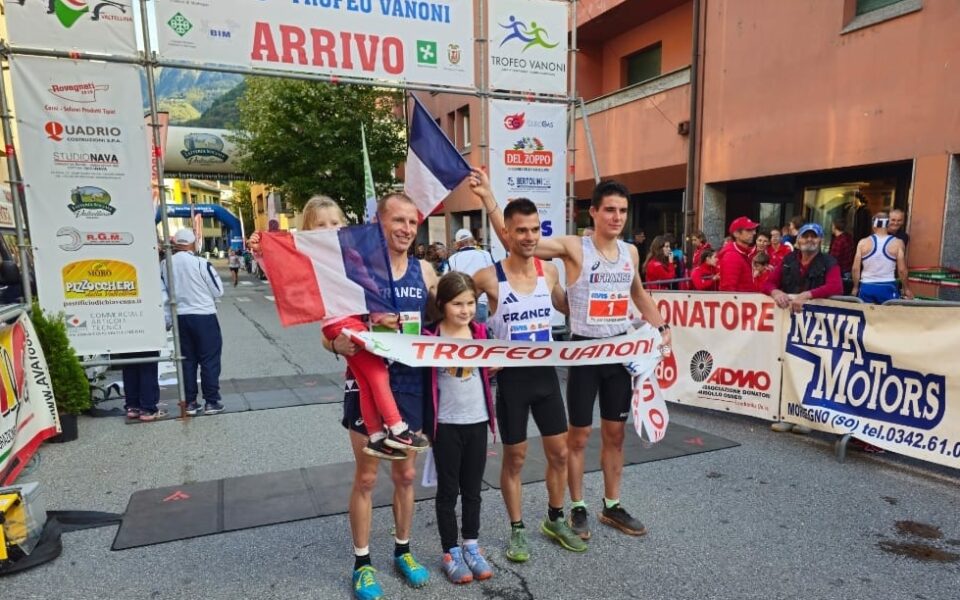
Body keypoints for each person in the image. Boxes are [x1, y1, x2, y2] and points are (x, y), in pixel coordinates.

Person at [472, 172, 671, 542]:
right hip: (583, 353)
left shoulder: (630, 252)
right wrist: (489, 197)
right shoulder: (574, 247)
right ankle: (576, 506)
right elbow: (517, 240)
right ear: (592, 213)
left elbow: (640, 294)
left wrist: (661, 328)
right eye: (609, 210)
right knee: (576, 438)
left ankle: (611, 504)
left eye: (623, 211)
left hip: (617, 353)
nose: (616, 217)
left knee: (615, 434)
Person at [250, 197, 430, 460]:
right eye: (321, 224)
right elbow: (280, 271)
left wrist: (377, 312)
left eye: (335, 222)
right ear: (308, 230)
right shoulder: (307, 257)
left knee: (367, 382)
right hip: (340, 323)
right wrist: (260, 250)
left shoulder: (351, 254)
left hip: (349, 323)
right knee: (378, 375)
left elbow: (365, 286)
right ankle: (397, 429)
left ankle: (376, 435)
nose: (329, 228)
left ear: (344, 226)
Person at [329, 193, 439, 599]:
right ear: (380, 222)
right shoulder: (360, 270)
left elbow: (450, 315)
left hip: (409, 384)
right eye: (399, 221)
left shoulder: (424, 270)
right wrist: (334, 346)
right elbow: (333, 327)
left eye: (413, 222)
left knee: (406, 474)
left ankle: (403, 550)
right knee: (368, 476)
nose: (407, 229)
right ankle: (362, 562)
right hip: (366, 382)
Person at [471, 197, 586, 562]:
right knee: (516, 459)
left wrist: (598, 294)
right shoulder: (488, 277)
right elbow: (454, 313)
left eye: (535, 229)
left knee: (560, 453)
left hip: (546, 377)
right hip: (512, 383)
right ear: (507, 232)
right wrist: (479, 354)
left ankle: (554, 518)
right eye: (521, 230)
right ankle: (517, 529)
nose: (529, 236)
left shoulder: (549, 271)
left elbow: (564, 306)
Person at [423, 272, 496, 585]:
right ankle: (450, 551)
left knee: (473, 490)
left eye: (470, 303)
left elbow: (493, 367)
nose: (465, 310)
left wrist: (497, 365)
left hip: (477, 422)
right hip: (446, 426)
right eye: (457, 304)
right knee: (448, 492)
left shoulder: (480, 332)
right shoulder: (429, 337)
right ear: (442, 304)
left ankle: (471, 546)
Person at [762, 222, 842, 434]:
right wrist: (775, 292)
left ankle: (806, 419)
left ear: (820, 240)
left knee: (810, 369)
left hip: (817, 325)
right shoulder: (788, 260)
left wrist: (808, 294)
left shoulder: (829, 261)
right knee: (787, 366)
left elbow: (836, 286)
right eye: (805, 237)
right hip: (788, 322)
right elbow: (768, 283)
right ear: (798, 241)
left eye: (813, 237)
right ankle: (787, 414)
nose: (809, 240)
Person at [161, 229, 225, 416]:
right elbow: (218, 291)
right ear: (193, 243)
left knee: (186, 361)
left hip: (180, 316)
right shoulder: (201, 263)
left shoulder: (165, 264)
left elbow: (163, 292)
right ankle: (211, 402)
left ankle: (190, 403)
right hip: (204, 315)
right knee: (209, 360)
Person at [852, 212, 912, 303]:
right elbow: (902, 270)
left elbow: (855, 269)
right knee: (888, 316)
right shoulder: (898, 243)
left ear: (873, 225)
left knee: (866, 315)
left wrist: (855, 287)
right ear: (888, 224)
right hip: (888, 286)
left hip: (866, 286)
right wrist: (906, 289)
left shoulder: (863, 243)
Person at [447, 228, 495, 323]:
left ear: (458, 244)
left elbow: (450, 282)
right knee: (480, 334)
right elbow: (494, 276)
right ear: (472, 241)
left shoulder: (453, 259)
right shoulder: (485, 254)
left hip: (462, 303)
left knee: (465, 334)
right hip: (481, 301)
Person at [718, 216, 759, 292]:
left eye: (753, 230)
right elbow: (728, 289)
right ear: (736, 234)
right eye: (749, 230)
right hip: (739, 302)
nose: (754, 233)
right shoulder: (732, 256)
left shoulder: (743, 253)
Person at [829, 218, 855, 295]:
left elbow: (833, 259)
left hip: (840, 272)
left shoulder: (838, 241)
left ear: (834, 226)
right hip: (848, 271)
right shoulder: (849, 237)